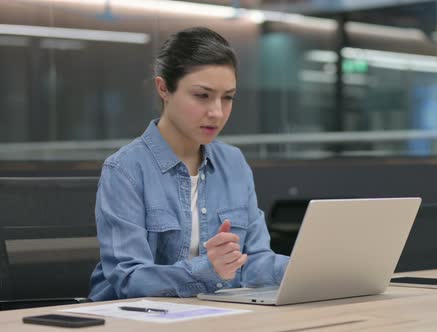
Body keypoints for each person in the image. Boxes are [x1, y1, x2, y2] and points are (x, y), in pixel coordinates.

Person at [88, 27, 289, 301]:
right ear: (164, 89)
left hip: (213, 314)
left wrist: (311, 268)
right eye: (202, 95)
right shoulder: (125, 170)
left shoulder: (234, 163)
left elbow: (252, 261)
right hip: (135, 319)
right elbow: (129, 279)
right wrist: (208, 269)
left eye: (227, 97)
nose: (217, 112)